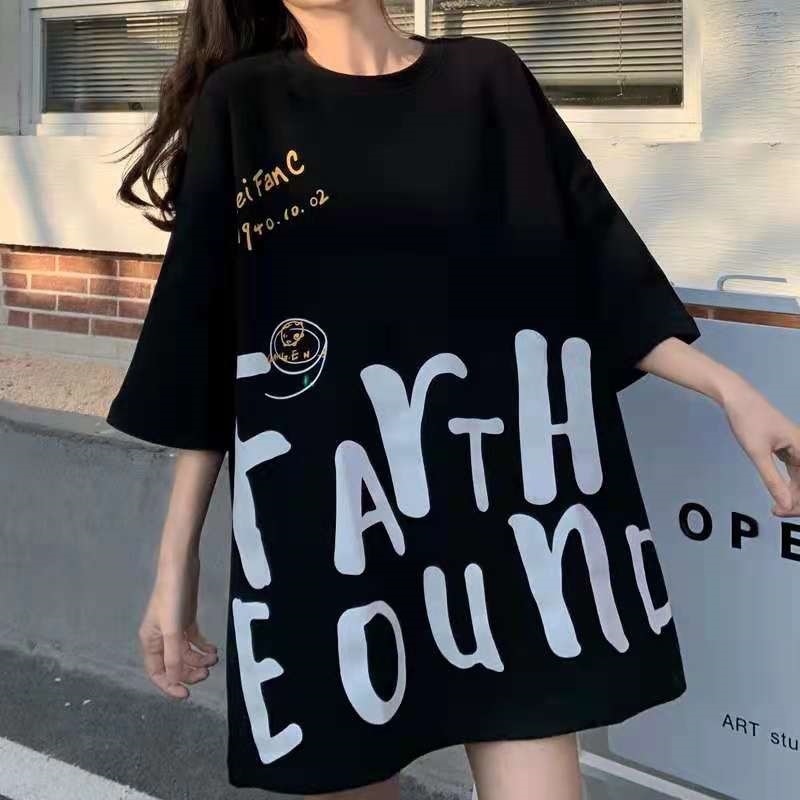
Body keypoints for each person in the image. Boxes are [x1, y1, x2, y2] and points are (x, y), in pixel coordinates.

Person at [105, 1, 800, 799]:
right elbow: (208, 352)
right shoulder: (246, 106)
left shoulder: (487, 81)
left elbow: (601, 271)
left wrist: (729, 390)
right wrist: (177, 566)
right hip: (332, 532)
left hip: (507, 518)